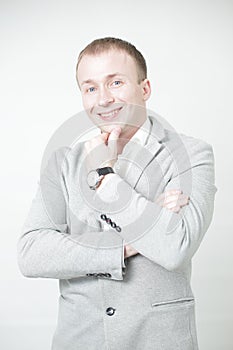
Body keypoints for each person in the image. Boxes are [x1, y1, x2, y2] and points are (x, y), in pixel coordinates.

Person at [17, 37, 217, 350]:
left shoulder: (191, 154)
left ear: (145, 88)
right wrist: (131, 242)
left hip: (159, 340)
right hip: (80, 340)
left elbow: (176, 247)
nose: (104, 99)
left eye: (116, 82)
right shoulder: (63, 163)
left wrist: (107, 178)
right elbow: (31, 253)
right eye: (91, 87)